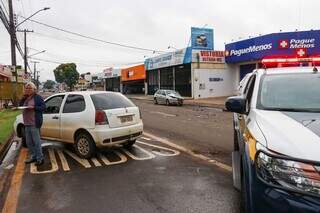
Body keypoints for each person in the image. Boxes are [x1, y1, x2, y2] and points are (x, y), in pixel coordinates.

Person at [19, 82, 46, 165]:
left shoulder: (37, 98)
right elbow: (20, 105)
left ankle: (40, 158)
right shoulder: (25, 98)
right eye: (26, 88)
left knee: (36, 142)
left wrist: (34, 107)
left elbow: (43, 107)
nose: (28, 89)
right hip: (26, 123)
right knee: (29, 142)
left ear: (34, 89)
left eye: (30, 88)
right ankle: (34, 157)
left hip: (34, 123)